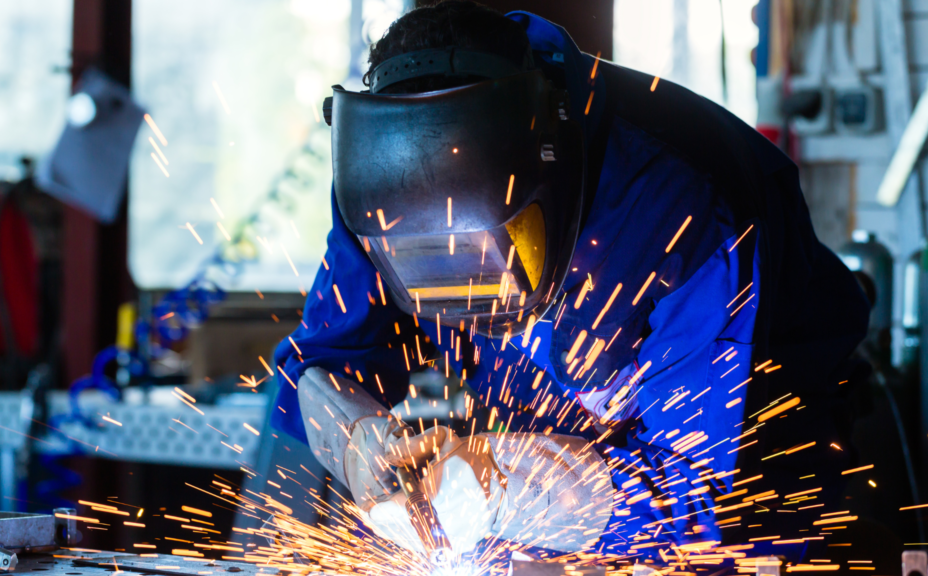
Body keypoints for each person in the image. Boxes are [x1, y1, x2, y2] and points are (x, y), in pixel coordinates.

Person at [272, 0, 870, 562]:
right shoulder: (378, 190)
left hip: (751, 460)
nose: (465, 294)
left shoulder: (680, 209)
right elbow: (323, 363)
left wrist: (504, 489)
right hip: (540, 449)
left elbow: (695, 497)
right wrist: (358, 442)